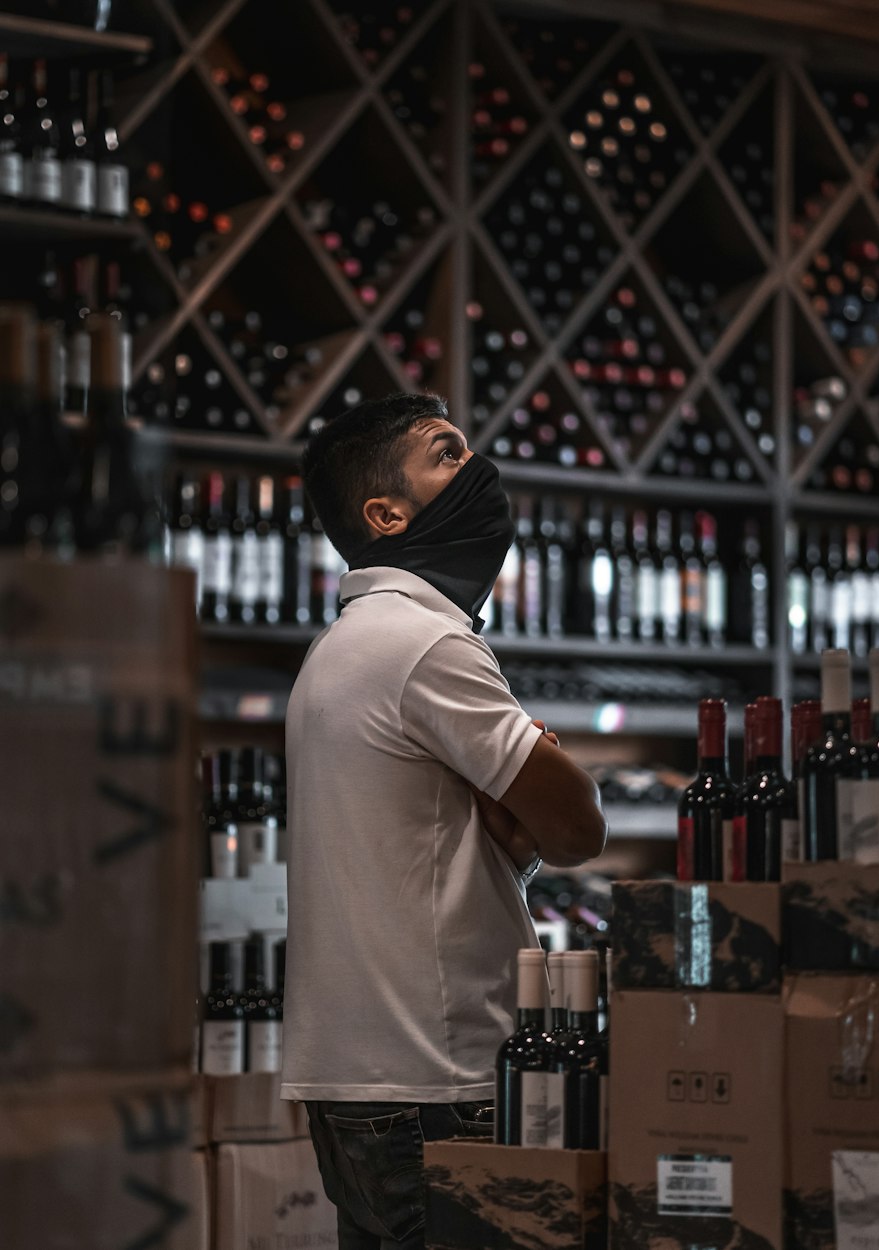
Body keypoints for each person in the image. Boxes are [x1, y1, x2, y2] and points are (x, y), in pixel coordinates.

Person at [280, 392, 607, 1250]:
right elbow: (579, 827)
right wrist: (549, 796)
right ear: (385, 513)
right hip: (438, 1075)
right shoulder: (425, 642)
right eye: (448, 453)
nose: (479, 470)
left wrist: (514, 846)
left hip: (358, 1078)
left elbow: (429, 853)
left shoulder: (339, 647)